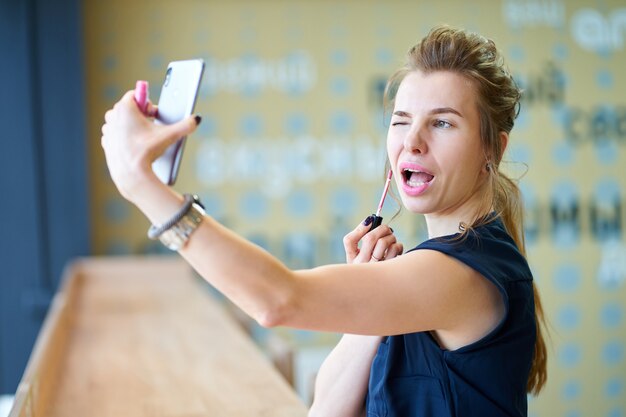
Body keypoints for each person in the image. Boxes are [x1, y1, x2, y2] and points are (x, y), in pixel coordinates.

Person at [101, 25, 547, 417]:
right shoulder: (421, 275)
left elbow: (277, 301)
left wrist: (142, 186)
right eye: (401, 121)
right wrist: (366, 290)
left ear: (494, 149)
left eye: (443, 124)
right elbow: (326, 409)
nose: (412, 141)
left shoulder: (461, 275)